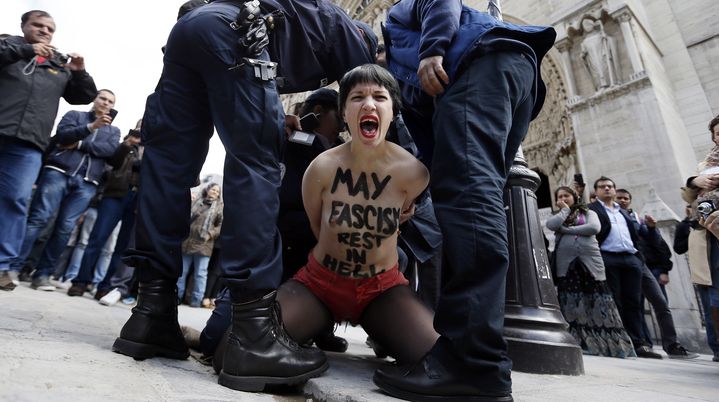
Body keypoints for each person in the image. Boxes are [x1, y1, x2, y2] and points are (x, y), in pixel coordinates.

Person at [112, 0, 377, 392]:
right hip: (235, 34)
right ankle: (253, 333)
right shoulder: (352, 34)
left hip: (190, 32)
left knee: (167, 167)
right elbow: (369, 95)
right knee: (256, 162)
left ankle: (151, 313)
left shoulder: (307, 23)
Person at [374, 1, 555, 400]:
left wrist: (431, 49)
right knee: (475, 198)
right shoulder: (411, 90)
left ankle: (471, 363)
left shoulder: (397, 21)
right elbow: (435, 154)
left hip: (480, 61)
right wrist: (414, 191)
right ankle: (471, 356)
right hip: (511, 72)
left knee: (472, 203)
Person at [0, 10, 97, 291]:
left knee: (16, 200)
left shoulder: (58, 63)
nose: (45, 31)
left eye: (50, 28)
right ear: (24, 26)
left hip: (29, 144)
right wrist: (24, 50)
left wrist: (80, 73)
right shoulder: (8, 45)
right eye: (38, 25)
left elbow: (84, 96)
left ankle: (3, 266)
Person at [9, 90, 120, 291]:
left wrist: (78, 143)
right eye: (102, 98)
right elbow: (62, 137)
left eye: (110, 101)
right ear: (95, 99)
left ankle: (42, 275)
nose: (105, 103)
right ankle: (13, 268)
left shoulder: (114, 131)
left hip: (87, 182)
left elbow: (109, 151)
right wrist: (90, 128)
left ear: (113, 106)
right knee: (39, 219)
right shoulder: (74, 116)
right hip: (58, 171)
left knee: (65, 229)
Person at [545, 186, 635, 358]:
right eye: (560, 196)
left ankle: (608, 344)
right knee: (571, 299)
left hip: (590, 262)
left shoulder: (588, 213)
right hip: (567, 263)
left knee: (597, 298)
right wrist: (564, 211)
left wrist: (566, 230)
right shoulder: (559, 216)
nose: (564, 198)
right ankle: (577, 341)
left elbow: (593, 228)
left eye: (567, 196)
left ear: (575, 197)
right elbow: (551, 225)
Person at [587, 176, 663, 359]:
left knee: (634, 301)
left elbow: (639, 235)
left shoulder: (625, 212)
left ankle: (639, 343)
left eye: (610, 186)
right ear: (596, 191)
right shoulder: (592, 210)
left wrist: (650, 231)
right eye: (602, 187)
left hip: (631, 258)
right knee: (615, 301)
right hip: (608, 258)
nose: (607, 189)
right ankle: (619, 341)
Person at [68, 121, 144, 299]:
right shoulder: (124, 145)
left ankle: (106, 286)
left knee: (122, 248)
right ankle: (80, 282)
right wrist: (128, 144)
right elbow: (113, 163)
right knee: (97, 239)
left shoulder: (155, 148)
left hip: (137, 200)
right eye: (141, 127)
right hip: (115, 195)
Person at [673, 206, 719, 361]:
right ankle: (717, 350)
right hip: (707, 275)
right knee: (712, 310)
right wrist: (689, 223)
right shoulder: (690, 226)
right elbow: (679, 248)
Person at [177, 182, 223, 307]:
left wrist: (209, 234)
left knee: (200, 274)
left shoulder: (219, 207)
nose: (215, 192)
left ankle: (196, 300)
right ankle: (178, 297)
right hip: (188, 241)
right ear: (207, 190)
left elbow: (220, 226)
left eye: (217, 191)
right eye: (213, 190)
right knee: (182, 272)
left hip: (204, 245)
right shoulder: (197, 201)